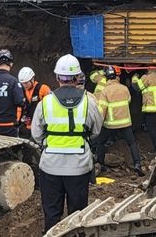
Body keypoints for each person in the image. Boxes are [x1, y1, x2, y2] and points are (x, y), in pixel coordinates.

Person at [31, 54, 103, 233]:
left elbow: (36, 134)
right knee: (77, 216)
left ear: (57, 77)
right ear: (77, 77)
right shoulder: (89, 101)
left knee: (52, 215)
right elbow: (96, 131)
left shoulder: (45, 103)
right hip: (79, 167)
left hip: (50, 167)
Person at [94, 66, 144, 175]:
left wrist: (98, 124)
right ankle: (137, 164)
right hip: (125, 123)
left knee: (100, 142)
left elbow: (102, 109)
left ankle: (100, 164)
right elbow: (129, 100)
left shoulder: (105, 91)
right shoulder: (124, 88)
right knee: (132, 143)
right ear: (117, 76)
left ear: (107, 77)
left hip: (110, 124)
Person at [131, 68, 156, 152]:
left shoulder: (147, 77)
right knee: (148, 120)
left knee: (152, 127)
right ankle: (143, 126)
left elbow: (137, 87)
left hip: (151, 106)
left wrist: (135, 77)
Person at [18, 66, 51, 139]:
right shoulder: (21, 91)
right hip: (26, 127)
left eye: (26, 83)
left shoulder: (43, 89)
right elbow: (19, 109)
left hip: (39, 126)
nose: (25, 85)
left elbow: (50, 106)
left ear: (32, 79)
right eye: (22, 83)